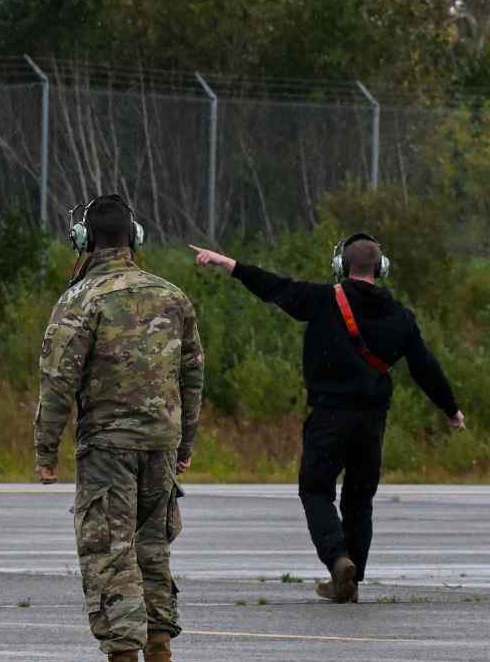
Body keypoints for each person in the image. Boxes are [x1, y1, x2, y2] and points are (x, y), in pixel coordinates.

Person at [189, 234, 464, 602]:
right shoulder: (400, 316)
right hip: (371, 423)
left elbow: (274, 286)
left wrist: (230, 265)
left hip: (329, 416)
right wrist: (451, 409)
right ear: (381, 269)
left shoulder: (322, 299)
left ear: (342, 266)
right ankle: (351, 581)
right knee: (359, 499)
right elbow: (425, 368)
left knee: (316, 490)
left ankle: (337, 559)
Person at [36, 194, 202, 662]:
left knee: (110, 550)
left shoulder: (82, 298)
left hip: (108, 446)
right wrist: (185, 442)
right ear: (135, 237)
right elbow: (193, 374)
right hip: (161, 443)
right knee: (152, 549)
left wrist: (46, 452)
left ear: (84, 240)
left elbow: (58, 379)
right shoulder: (172, 296)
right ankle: (160, 658)